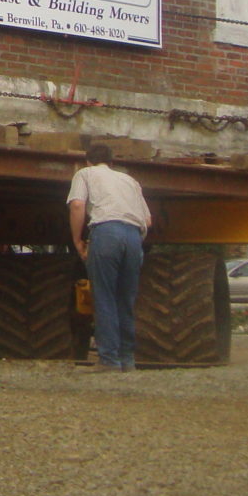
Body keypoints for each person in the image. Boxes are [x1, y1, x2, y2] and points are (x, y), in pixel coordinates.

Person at [68, 142, 152, 371]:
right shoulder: (130, 181)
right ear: (112, 162)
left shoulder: (85, 174)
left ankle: (108, 360)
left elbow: (77, 205)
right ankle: (127, 360)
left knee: (104, 297)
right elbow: (148, 221)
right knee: (125, 300)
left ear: (88, 161)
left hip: (106, 232)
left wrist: (77, 240)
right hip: (134, 236)